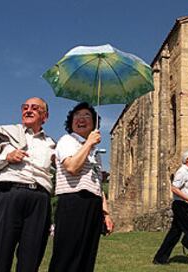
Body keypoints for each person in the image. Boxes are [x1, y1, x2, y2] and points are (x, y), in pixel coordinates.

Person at [0, 97, 55, 272]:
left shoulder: (51, 144)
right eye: (25, 107)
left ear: (45, 116)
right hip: (8, 193)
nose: (28, 110)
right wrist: (6, 158)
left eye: (35, 108)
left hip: (39, 200)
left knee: (31, 257)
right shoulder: (5, 133)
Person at [49, 102, 114, 272]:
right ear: (71, 122)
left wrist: (105, 213)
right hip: (73, 201)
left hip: (93, 204)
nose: (81, 119)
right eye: (77, 115)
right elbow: (72, 167)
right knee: (67, 255)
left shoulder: (94, 152)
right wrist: (88, 144)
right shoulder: (67, 141)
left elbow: (98, 184)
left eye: (87, 116)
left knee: (87, 256)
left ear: (95, 123)